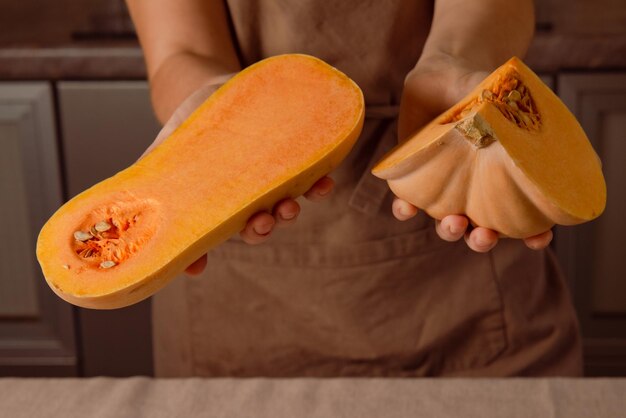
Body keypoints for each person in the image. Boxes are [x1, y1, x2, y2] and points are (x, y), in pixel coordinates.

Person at [126, 0, 583, 376]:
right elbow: (178, 50)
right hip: (238, 309)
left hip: (463, 284)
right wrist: (227, 115)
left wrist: (453, 64)